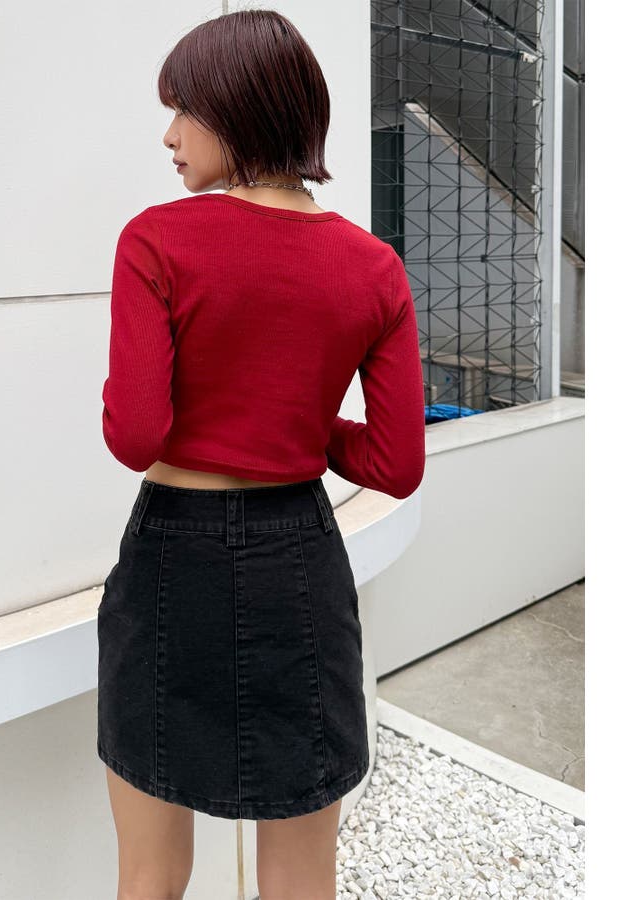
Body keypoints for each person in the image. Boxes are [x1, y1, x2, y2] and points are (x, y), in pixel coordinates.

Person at [97, 9, 425, 899]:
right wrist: (302, 428)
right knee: (300, 872)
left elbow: (135, 436)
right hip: (298, 561)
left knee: (150, 873)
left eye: (183, 109)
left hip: (173, 561)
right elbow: (395, 463)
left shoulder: (156, 240)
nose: (169, 136)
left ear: (237, 109)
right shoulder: (374, 267)